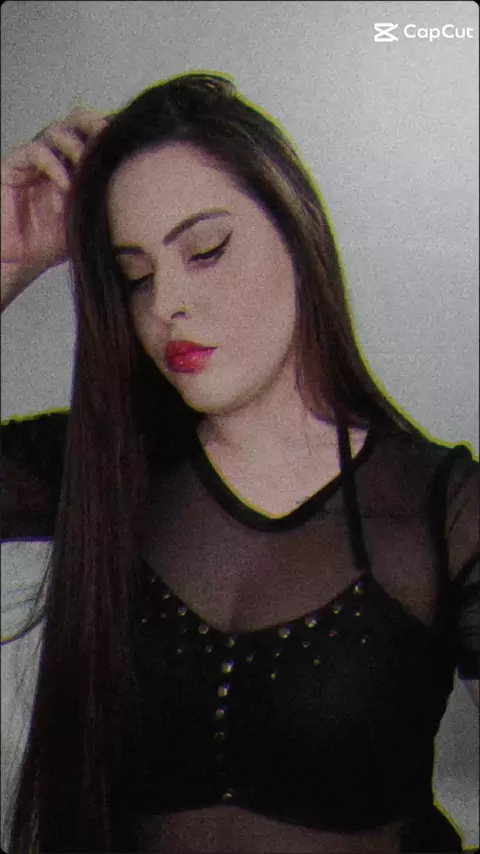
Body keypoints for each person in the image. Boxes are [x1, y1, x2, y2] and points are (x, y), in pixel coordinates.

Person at [1, 72, 478, 854]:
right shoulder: (104, 470)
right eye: (135, 276)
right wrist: (7, 258)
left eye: (206, 250)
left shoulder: (443, 511)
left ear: (297, 231)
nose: (166, 305)